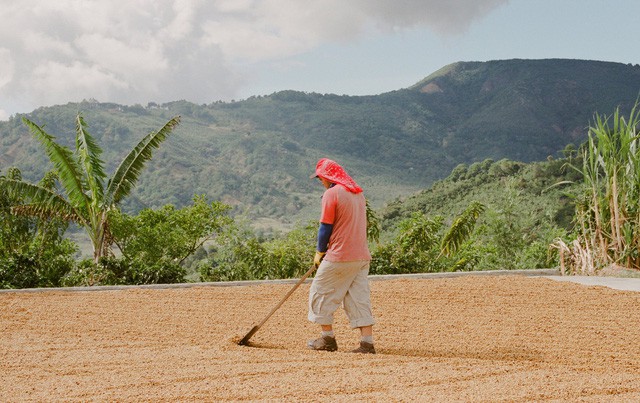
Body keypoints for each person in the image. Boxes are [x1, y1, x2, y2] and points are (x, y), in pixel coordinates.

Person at [307, 158, 375, 354]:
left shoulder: (331, 194)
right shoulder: (358, 194)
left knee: (320, 292)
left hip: (339, 255)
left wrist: (320, 251)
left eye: (321, 179)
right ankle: (367, 343)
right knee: (358, 297)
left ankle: (327, 339)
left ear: (328, 177)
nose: (322, 182)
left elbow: (325, 227)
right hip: (361, 256)